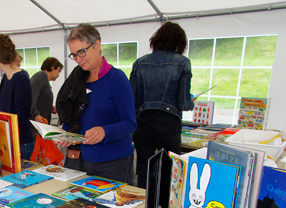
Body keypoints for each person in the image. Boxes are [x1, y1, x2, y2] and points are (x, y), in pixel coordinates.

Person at [56, 24, 136, 183]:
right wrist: (66, 134)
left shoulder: (117, 79)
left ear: (97, 45)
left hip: (114, 163)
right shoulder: (77, 79)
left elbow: (130, 123)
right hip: (83, 161)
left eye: (82, 52)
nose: (78, 59)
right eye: (74, 55)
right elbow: (75, 117)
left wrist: (104, 131)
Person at [130, 21, 195, 189]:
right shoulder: (182, 63)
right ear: (180, 42)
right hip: (168, 126)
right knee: (170, 171)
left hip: (142, 125)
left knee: (143, 169)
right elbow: (183, 103)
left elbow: (133, 99)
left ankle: (143, 207)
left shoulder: (140, 62)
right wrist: (191, 103)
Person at [0, 34, 33, 160]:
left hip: (20, 143)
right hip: (9, 141)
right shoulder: (6, 77)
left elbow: (21, 120)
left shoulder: (20, 79)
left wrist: (5, 147)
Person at [30, 57, 63, 124]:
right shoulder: (42, 75)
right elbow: (31, 96)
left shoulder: (45, 81)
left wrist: (50, 107)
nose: (58, 75)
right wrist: (35, 114)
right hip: (36, 123)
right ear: (52, 68)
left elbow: (40, 100)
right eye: (59, 71)